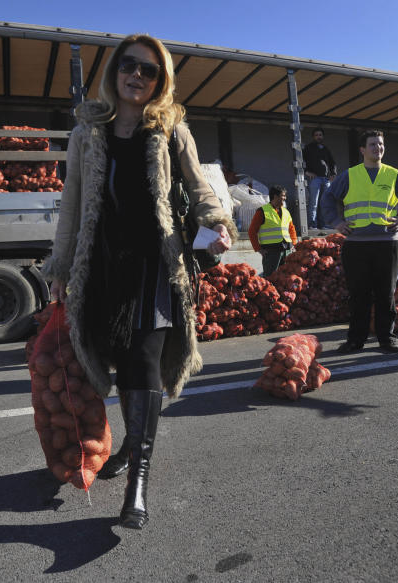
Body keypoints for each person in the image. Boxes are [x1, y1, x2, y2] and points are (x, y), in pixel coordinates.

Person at [43, 34, 235, 530]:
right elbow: (71, 207)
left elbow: (200, 187)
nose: (137, 76)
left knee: (145, 358)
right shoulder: (88, 133)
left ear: (161, 80)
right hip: (104, 264)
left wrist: (218, 225)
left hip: (156, 262)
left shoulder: (171, 129)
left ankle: (139, 481)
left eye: (149, 70)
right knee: (120, 360)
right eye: (129, 66)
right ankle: (131, 442)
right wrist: (61, 269)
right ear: (114, 72)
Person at [321, 129, 398, 353]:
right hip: (356, 245)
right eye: (373, 144)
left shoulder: (394, 175)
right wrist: (336, 222)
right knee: (359, 294)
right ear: (362, 150)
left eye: (381, 144)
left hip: (388, 243)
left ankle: (386, 339)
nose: (378, 148)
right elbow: (328, 197)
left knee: (386, 293)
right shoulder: (349, 175)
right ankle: (356, 340)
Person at [248, 185, 297, 276]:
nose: (285, 198)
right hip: (271, 253)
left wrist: (293, 243)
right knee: (271, 278)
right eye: (283, 196)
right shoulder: (262, 211)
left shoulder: (286, 212)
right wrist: (258, 249)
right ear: (275, 196)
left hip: (287, 251)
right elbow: (252, 231)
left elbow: (292, 229)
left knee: (287, 278)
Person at [303, 128, 337, 229]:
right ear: (313, 137)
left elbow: (332, 162)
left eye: (320, 135)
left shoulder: (325, 149)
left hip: (326, 179)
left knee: (325, 203)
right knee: (314, 203)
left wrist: (333, 173)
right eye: (317, 135)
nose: (319, 136)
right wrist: (306, 172)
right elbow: (301, 160)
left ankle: (324, 225)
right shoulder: (308, 148)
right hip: (315, 179)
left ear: (323, 137)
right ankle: (312, 225)